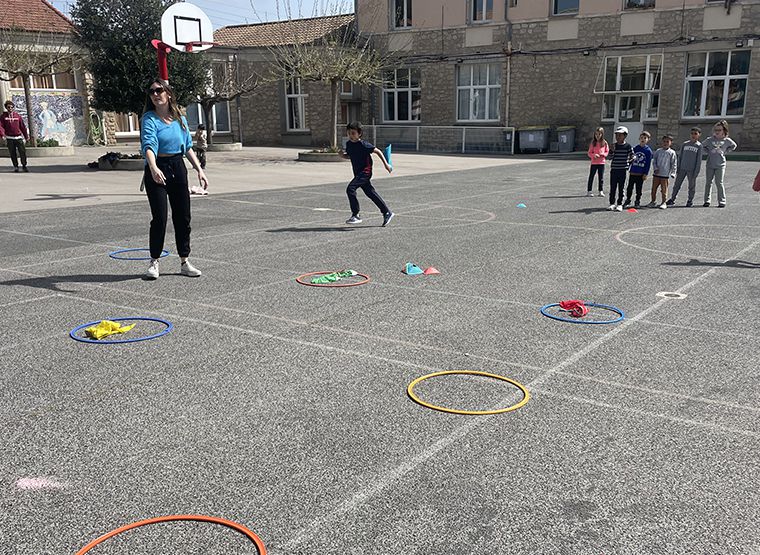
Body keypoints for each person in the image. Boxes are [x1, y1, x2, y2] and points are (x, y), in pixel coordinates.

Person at [140, 78, 208, 280]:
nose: (155, 94)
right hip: (157, 167)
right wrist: (152, 167)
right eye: (151, 91)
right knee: (160, 218)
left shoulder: (180, 119)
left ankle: (184, 261)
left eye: (159, 90)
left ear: (168, 93)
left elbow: (187, 147)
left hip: (177, 167)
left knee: (183, 217)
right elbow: (149, 145)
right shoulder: (149, 119)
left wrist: (199, 170)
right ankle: (154, 261)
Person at [339, 121, 394, 226]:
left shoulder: (364, 144)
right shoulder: (349, 144)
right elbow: (350, 156)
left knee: (350, 189)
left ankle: (355, 214)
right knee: (370, 193)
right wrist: (343, 155)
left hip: (366, 172)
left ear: (359, 134)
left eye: (353, 133)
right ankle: (387, 212)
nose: (351, 135)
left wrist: (386, 164)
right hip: (358, 173)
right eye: (349, 133)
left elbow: (377, 151)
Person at [702, 120, 737, 208]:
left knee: (719, 182)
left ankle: (722, 201)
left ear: (724, 131)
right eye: (716, 130)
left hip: (720, 164)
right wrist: (708, 152)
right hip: (710, 164)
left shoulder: (727, 140)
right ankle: (707, 200)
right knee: (708, 182)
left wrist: (725, 151)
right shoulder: (710, 140)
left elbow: (734, 146)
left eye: (719, 130)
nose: (717, 132)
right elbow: (702, 146)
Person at [667, 127, 702, 207]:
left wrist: (696, 171)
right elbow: (680, 156)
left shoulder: (699, 146)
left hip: (692, 170)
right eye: (692, 133)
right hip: (682, 168)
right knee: (677, 185)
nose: (693, 135)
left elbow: (698, 160)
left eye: (695, 134)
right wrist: (678, 167)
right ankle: (672, 199)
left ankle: (690, 200)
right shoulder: (685, 144)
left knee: (691, 186)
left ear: (699, 135)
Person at [607, 126, 634, 212]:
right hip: (614, 169)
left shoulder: (628, 146)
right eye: (617, 135)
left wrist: (631, 160)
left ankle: (619, 204)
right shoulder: (614, 146)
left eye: (620, 135)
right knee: (613, 187)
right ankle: (612, 203)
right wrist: (611, 151)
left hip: (623, 170)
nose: (618, 137)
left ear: (625, 136)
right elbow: (610, 157)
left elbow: (632, 155)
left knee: (621, 187)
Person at [623, 131, 652, 209]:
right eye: (641, 138)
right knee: (629, 188)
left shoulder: (648, 151)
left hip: (641, 173)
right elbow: (631, 158)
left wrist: (645, 173)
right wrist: (628, 166)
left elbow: (648, 163)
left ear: (648, 139)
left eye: (645, 138)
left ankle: (637, 201)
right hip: (633, 172)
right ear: (639, 139)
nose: (643, 139)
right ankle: (628, 199)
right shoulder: (635, 148)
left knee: (639, 189)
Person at [648, 134, 677, 209]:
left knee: (664, 190)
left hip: (665, 175)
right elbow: (654, 161)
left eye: (667, 142)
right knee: (654, 189)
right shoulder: (658, 151)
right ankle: (653, 201)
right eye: (664, 141)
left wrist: (673, 173)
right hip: (656, 174)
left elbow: (674, 163)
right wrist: (655, 168)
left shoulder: (672, 153)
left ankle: (664, 202)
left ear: (671, 143)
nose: (665, 143)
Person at [0, 100, 29, 172]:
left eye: (12, 107)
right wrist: (2, 135)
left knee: (22, 152)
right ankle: (16, 166)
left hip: (18, 137)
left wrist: (26, 136)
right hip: (10, 138)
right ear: (6, 108)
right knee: (13, 153)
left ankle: (24, 165)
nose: (10, 108)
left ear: (13, 108)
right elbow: (1, 126)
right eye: (8, 107)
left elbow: (22, 127)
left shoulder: (18, 116)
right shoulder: (3, 117)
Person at [586, 127, 608, 197]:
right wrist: (593, 155)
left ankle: (600, 191)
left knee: (601, 177)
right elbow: (589, 152)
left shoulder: (604, 142)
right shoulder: (593, 143)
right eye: (596, 134)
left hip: (601, 163)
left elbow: (607, 151)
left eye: (599, 134)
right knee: (591, 176)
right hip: (594, 163)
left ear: (602, 134)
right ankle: (589, 191)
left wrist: (603, 155)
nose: (597, 136)